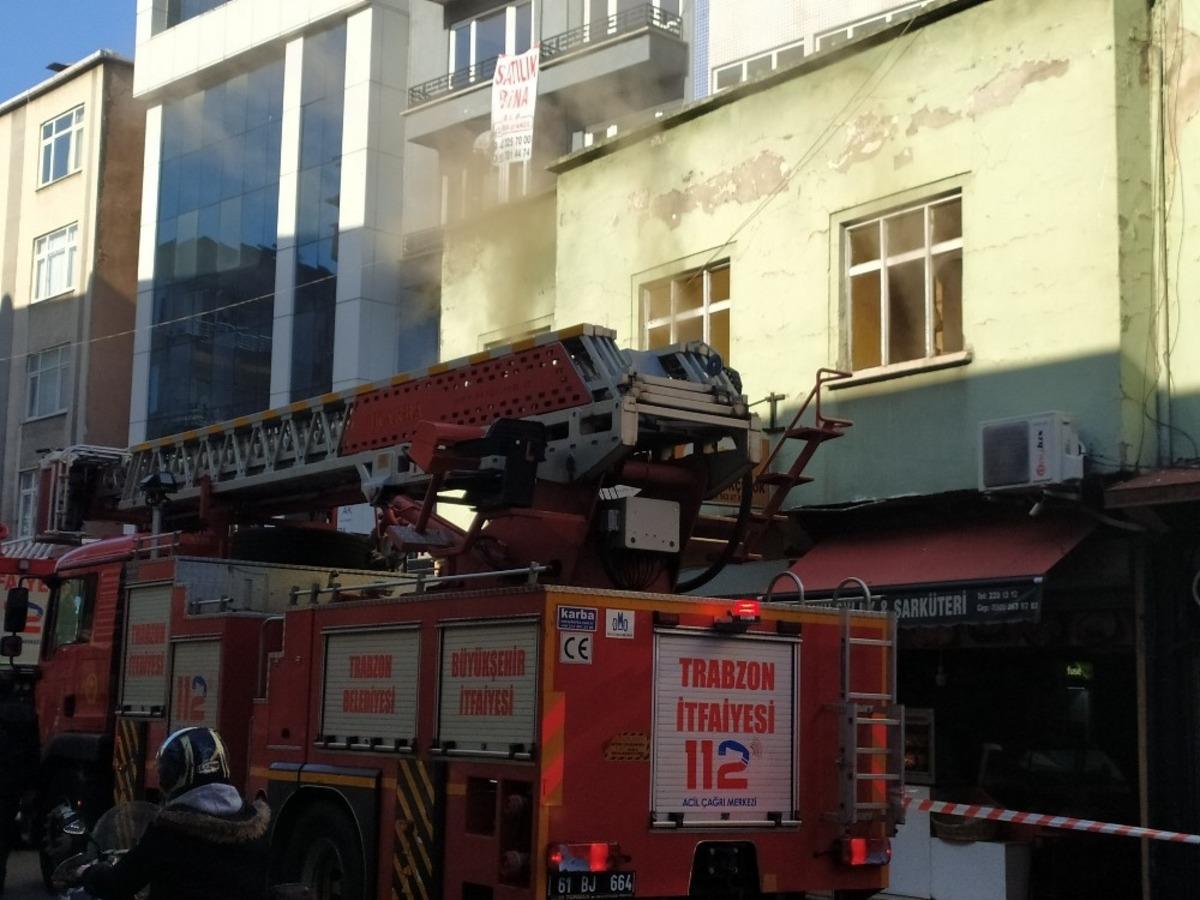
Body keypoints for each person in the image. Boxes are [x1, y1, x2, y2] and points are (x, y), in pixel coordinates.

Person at [83, 727, 270, 900]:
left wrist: (87, 873)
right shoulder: (256, 827)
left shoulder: (168, 833)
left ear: (174, 774)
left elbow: (118, 884)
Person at [0, 678, 39, 896]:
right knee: (3, 832)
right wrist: (30, 786)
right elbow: (33, 752)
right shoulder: (25, 714)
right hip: (10, 783)